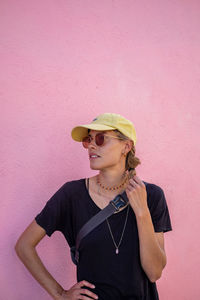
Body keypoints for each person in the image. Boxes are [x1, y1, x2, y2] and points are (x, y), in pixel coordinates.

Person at [15, 113, 172, 300]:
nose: (91, 145)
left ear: (126, 146)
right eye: (88, 139)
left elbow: (154, 272)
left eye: (100, 138)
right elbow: (24, 245)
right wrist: (60, 294)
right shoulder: (71, 194)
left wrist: (142, 212)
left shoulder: (152, 196)